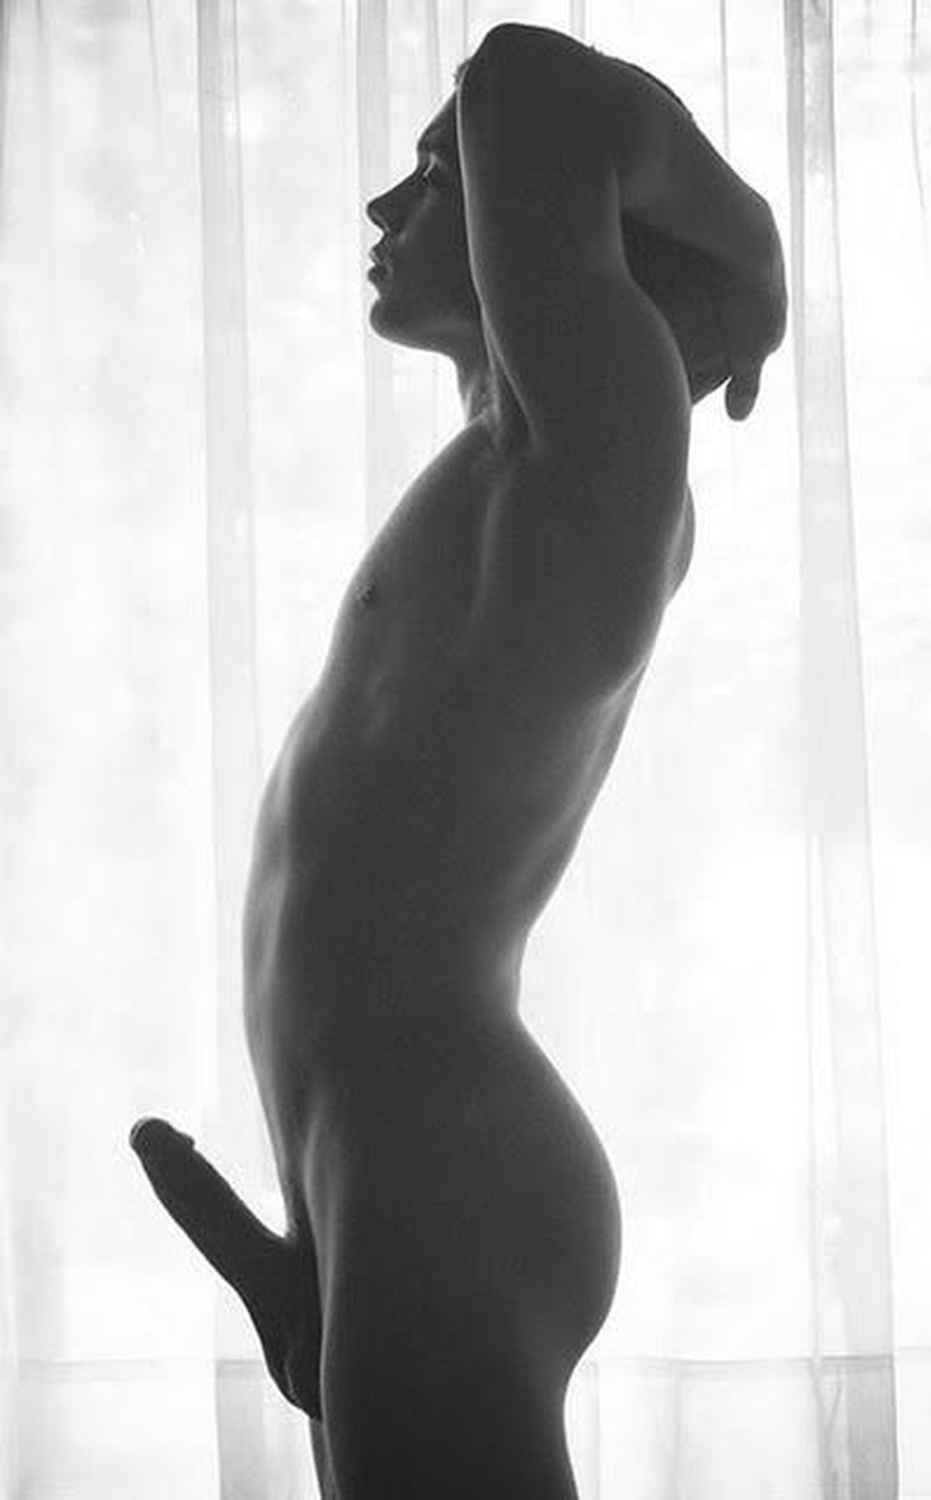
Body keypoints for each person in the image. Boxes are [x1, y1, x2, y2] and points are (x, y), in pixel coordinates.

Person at [129, 22, 786, 1498]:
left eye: (434, 178)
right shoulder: (497, 475)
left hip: (443, 1158)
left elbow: (521, 80)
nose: (386, 207)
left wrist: (754, 256)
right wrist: (318, 1228)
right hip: (378, 1163)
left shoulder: (595, 464)